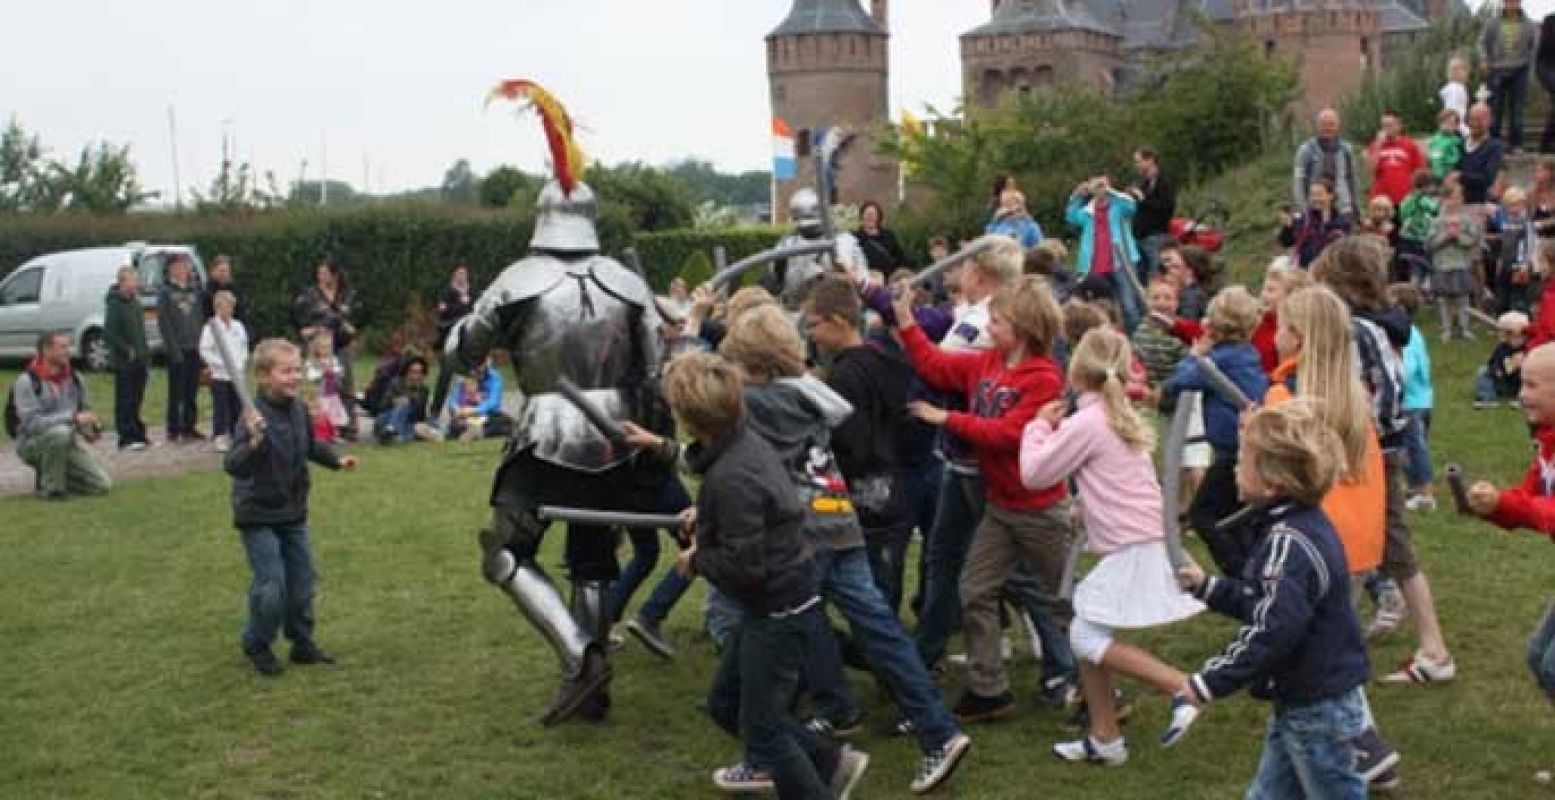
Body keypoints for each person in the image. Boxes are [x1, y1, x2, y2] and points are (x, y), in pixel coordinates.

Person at [720, 305, 972, 794]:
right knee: (882, 632)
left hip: (799, 536)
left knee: (763, 640)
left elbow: (707, 406)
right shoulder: (814, 392)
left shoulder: (756, 403)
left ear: (753, 364)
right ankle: (938, 732)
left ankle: (767, 754)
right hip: (839, 519)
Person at [447, 169, 662, 727]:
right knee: (592, 561)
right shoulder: (626, 280)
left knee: (505, 550)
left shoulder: (521, 277)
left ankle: (579, 654)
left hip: (547, 432)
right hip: (618, 435)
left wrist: (477, 317)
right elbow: (656, 371)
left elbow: (463, 352)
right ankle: (591, 691)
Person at [658, 353, 871, 800]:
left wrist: (696, 560)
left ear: (690, 419)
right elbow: (761, 511)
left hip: (777, 610)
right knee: (725, 705)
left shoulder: (732, 475)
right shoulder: (740, 446)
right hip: (773, 605)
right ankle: (831, 762)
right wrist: (709, 518)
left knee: (765, 731)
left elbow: (745, 567)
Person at [893, 274, 1078, 724]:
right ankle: (988, 690)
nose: (989, 325)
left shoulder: (1043, 377)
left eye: (999, 320)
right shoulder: (986, 363)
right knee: (975, 589)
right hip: (1000, 506)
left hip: (1040, 509)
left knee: (1063, 602)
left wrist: (947, 417)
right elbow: (936, 366)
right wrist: (904, 320)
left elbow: (1010, 434)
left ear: (1026, 326)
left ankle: (1091, 682)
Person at [1019, 328, 1205, 765]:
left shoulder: (1087, 421)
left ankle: (1184, 688)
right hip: (1139, 538)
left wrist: (1037, 427)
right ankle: (1105, 738)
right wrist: (1087, 504)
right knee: (1089, 628)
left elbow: (1035, 474)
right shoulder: (1113, 414)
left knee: (1083, 633)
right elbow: (1114, 479)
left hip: (1133, 544)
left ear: (1076, 371)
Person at [1176, 402, 1372, 800]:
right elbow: (1266, 600)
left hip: (1317, 711)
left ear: (1271, 482)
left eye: (1243, 459)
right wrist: (1208, 587)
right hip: (1307, 699)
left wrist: (1209, 682)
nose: (1232, 466)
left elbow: (1272, 629)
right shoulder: (1299, 525)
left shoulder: (1288, 543)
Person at [1311, 237, 1456, 688]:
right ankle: (1428, 647)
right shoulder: (1366, 326)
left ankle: (1425, 649)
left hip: (1366, 457)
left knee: (1364, 545)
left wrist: (1357, 436)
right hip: (1357, 452)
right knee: (1377, 547)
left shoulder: (1361, 330)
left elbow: (1388, 392)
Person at [224, 339, 359, 676]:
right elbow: (233, 465)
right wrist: (254, 443)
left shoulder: (298, 409)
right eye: (286, 371)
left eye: (296, 369)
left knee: (302, 582)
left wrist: (336, 460)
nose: (294, 377)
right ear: (264, 376)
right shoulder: (252, 418)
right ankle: (257, 641)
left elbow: (310, 445)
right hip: (258, 513)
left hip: (293, 510)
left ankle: (301, 642)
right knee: (272, 585)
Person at [1465, 344, 1555, 787]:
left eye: (1533, 385)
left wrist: (1514, 504)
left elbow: (1549, 510)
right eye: (1521, 383)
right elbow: (1530, 499)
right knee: (1540, 657)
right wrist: (1493, 506)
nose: (1521, 394)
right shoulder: (1547, 443)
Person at [805, 277, 914, 615]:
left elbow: (851, 441)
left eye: (814, 326)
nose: (811, 335)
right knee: (886, 577)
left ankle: (881, 651)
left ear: (838, 321)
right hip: (896, 480)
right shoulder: (887, 356)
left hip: (866, 491)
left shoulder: (845, 376)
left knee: (868, 590)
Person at [1161, 287, 1269, 576]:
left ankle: (1240, 575)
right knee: (1238, 517)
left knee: (1203, 516)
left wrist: (1193, 355)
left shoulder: (1216, 362)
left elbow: (1177, 383)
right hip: (1249, 447)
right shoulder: (1248, 354)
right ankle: (1255, 572)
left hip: (1230, 453)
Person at [11, 331, 111, 500]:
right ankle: (52, 490)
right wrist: (71, 418)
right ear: (46, 350)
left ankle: (48, 476)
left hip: (66, 442)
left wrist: (90, 430)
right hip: (32, 444)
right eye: (62, 347)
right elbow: (31, 424)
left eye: (68, 346)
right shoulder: (26, 381)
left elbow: (83, 413)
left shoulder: (76, 378)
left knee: (102, 486)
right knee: (60, 433)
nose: (68, 351)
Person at [765, 188, 867, 313]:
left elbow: (863, 281)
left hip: (840, 312)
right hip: (798, 312)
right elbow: (779, 285)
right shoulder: (786, 245)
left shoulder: (845, 241)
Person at [294, 257, 358, 440]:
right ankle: (318, 427)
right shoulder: (311, 295)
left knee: (344, 383)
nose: (321, 276)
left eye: (325, 273)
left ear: (335, 274)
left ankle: (348, 426)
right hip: (319, 343)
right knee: (319, 387)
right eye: (319, 273)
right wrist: (313, 330)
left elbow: (345, 314)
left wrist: (345, 324)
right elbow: (302, 317)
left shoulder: (346, 293)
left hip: (340, 342)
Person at [1066, 176, 1142, 331]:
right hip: (1095, 264)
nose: (1100, 188)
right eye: (1097, 185)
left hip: (1121, 260)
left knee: (1128, 305)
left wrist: (1110, 191)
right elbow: (1071, 217)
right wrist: (1077, 196)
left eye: (1103, 184)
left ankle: (1136, 340)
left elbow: (1131, 205)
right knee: (1101, 307)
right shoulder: (1087, 212)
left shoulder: (1119, 206)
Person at [1387, 284, 1437, 513]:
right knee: (1410, 448)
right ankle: (1413, 487)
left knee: (1414, 448)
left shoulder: (1406, 335)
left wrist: (1391, 378)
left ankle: (1425, 493)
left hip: (1411, 403)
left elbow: (1408, 368)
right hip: (1422, 400)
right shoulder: (1414, 332)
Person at [158, 253, 205, 442]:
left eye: (185, 266)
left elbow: (200, 317)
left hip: (194, 346)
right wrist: (173, 349)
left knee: (192, 390)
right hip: (178, 348)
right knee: (177, 391)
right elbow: (164, 323)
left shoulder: (195, 290)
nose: (183, 270)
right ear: (171, 269)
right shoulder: (166, 292)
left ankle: (189, 426)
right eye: (178, 266)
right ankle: (174, 428)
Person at [1430, 179, 1484, 341]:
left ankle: (1464, 327)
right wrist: (1446, 236)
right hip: (1442, 264)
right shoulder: (1437, 221)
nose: (1457, 201)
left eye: (1459, 197)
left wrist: (1459, 237)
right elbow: (1430, 243)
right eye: (1453, 197)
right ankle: (1446, 329)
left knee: (1463, 297)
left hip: (1461, 264)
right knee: (1444, 298)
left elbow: (1473, 240)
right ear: (1445, 199)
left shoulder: (1467, 220)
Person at [103, 265, 149, 451]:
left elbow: (140, 331)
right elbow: (109, 333)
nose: (135, 283)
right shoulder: (115, 303)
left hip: (140, 359)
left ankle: (138, 432)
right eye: (132, 280)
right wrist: (125, 349)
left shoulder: (136, 302)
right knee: (125, 398)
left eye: (136, 280)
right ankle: (126, 436)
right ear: (122, 282)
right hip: (124, 361)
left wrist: (144, 353)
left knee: (137, 398)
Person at [1481, 0, 1536, 152]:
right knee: (1496, 108)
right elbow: (1482, 43)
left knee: (1517, 110)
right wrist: (1484, 59)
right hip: (1497, 69)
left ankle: (1516, 143)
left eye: (1515, 1)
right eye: (1509, 1)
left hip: (1520, 70)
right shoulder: (1493, 22)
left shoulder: (1528, 24)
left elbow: (1533, 47)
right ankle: (1494, 144)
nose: (1512, 4)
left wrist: (1529, 67)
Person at [199, 291, 250, 452]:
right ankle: (220, 435)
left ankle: (237, 434)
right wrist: (222, 364)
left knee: (237, 405)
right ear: (217, 308)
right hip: (219, 374)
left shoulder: (238, 326)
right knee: (221, 406)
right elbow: (205, 350)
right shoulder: (210, 328)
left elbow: (244, 346)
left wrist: (240, 362)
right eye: (224, 306)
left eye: (230, 307)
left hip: (237, 373)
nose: (228, 310)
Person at [1293, 108, 1362, 218]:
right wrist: (1302, 208)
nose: (1328, 128)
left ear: (1338, 126)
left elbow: (1352, 179)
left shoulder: (1346, 149)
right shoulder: (1305, 150)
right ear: (1318, 126)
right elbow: (1298, 181)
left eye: (1331, 124)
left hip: (1342, 206)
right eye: (1324, 124)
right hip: (1315, 206)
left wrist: (1356, 207)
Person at [431, 264, 478, 421]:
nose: (461, 276)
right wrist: (462, 305)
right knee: (445, 376)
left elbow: (478, 311)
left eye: (464, 274)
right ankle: (435, 412)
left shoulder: (473, 292)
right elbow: (443, 311)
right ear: (453, 276)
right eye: (458, 274)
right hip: (449, 340)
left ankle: (468, 413)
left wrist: (463, 306)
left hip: (470, 341)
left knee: (471, 377)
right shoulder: (447, 292)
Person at [1253, 263, 1313, 375]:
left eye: (1271, 290)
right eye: (1263, 289)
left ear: (1291, 296)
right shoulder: (1257, 322)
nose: (1263, 295)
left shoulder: (1295, 330)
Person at [1279, 178, 1353, 268]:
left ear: (1331, 195)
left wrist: (1326, 223)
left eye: (1319, 194)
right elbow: (1286, 242)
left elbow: (1343, 249)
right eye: (1312, 195)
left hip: (1330, 273)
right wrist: (1288, 226)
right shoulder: (1304, 219)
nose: (1315, 198)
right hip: (1306, 272)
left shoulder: (1342, 223)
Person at [1130, 147, 1177, 279]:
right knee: (1140, 276)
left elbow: (1166, 206)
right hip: (1139, 237)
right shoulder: (1143, 183)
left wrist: (1143, 199)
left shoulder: (1165, 181)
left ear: (1150, 160)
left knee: (1155, 275)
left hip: (1156, 236)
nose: (1136, 165)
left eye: (1138, 161)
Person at [1492, 187, 1541, 314]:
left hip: (1519, 265)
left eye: (1516, 205)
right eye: (1509, 205)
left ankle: (1519, 320)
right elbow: (1504, 243)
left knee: (1518, 295)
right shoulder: (1505, 222)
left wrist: (1524, 264)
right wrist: (1500, 260)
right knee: (1503, 293)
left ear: (1522, 205)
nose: (1512, 209)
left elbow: (1529, 245)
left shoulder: (1526, 222)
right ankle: (1502, 318)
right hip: (1505, 262)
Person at [373, 356, 442, 444]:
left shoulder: (424, 390)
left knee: (429, 424)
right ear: (406, 372)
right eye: (413, 372)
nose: (416, 376)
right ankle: (391, 430)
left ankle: (393, 436)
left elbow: (421, 415)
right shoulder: (395, 384)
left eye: (419, 373)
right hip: (387, 418)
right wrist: (394, 401)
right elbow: (382, 406)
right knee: (403, 405)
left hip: (409, 422)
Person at [1367, 112, 1426, 208]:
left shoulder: (1410, 145)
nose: (1386, 129)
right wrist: (1378, 145)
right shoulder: (1375, 145)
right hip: (1382, 200)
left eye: (1389, 125)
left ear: (1399, 126)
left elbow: (1419, 171)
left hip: (1405, 198)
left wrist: (1418, 193)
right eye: (1384, 126)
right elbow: (1372, 170)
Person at [1476, 311, 1531, 408]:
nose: (1515, 339)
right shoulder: (1501, 348)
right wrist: (1496, 370)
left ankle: (1523, 400)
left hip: (1519, 384)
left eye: (1519, 336)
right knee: (1483, 370)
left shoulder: (1527, 348)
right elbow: (1493, 361)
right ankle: (1487, 398)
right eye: (1509, 335)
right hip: (1503, 381)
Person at [444, 360, 509, 441]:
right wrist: (457, 409)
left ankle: (475, 433)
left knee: (500, 421)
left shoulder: (494, 377)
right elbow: (453, 399)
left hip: (486, 415)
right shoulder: (463, 377)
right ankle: (469, 433)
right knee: (455, 424)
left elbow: (493, 403)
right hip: (465, 415)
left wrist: (474, 410)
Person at [1396, 170, 1439, 291]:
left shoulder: (1407, 198)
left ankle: (1413, 291)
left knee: (1414, 268)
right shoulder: (1424, 199)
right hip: (1421, 238)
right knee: (1426, 266)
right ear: (1426, 185)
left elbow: (1402, 213)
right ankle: (1424, 290)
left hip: (1407, 239)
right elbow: (1436, 210)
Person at [304, 333, 351, 439]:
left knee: (334, 413)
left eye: (329, 347)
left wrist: (333, 371)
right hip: (320, 394)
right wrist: (322, 371)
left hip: (332, 393)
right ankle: (321, 433)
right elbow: (311, 376)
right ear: (317, 348)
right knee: (323, 413)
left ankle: (335, 434)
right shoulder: (312, 361)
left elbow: (340, 371)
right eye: (324, 347)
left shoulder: (333, 359)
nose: (327, 349)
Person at [1460, 103, 1506, 206]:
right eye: (1471, 119)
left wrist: (1461, 176)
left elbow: (1488, 178)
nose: (1474, 123)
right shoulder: (1461, 142)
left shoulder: (1495, 146)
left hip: (1480, 204)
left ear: (1489, 121)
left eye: (1479, 120)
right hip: (1458, 202)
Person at [856, 200, 908, 274]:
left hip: (890, 279)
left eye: (873, 214)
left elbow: (900, 259)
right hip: (867, 279)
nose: (870, 217)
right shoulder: (855, 238)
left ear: (878, 217)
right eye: (868, 214)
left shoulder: (889, 236)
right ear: (862, 217)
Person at [201, 255, 246, 324]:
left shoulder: (235, 290)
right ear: (213, 271)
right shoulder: (206, 292)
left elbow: (241, 314)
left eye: (226, 271)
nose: (224, 274)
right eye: (221, 271)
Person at [1427, 108, 1465, 180]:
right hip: (1438, 178)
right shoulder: (1434, 140)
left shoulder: (1458, 141)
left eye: (1452, 123)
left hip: (1454, 177)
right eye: (1445, 122)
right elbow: (1434, 161)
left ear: (1456, 126)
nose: (1448, 126)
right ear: (1439, 123)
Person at [1439, 56, 1471, 136]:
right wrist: (1465, 131)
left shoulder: (1458, 87)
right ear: (1458, 72)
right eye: (1465, 71)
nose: (1467, 75)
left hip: (1457, 125)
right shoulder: (1455, 89)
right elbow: (1453, 110)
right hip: (1456, 128)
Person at [1540, 15, 1555, 152]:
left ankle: (1547, 143)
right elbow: (1545, 49)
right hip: (1549, 67)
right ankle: (1546, 143)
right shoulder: (1550, 21)